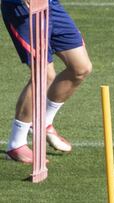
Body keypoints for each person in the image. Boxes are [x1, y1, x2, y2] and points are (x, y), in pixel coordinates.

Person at [2, 0, 92, 164]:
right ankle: (16, 144)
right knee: (43, 74)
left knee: (80, 67)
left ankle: (42, 123)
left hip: (50, 5)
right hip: (22, 8)